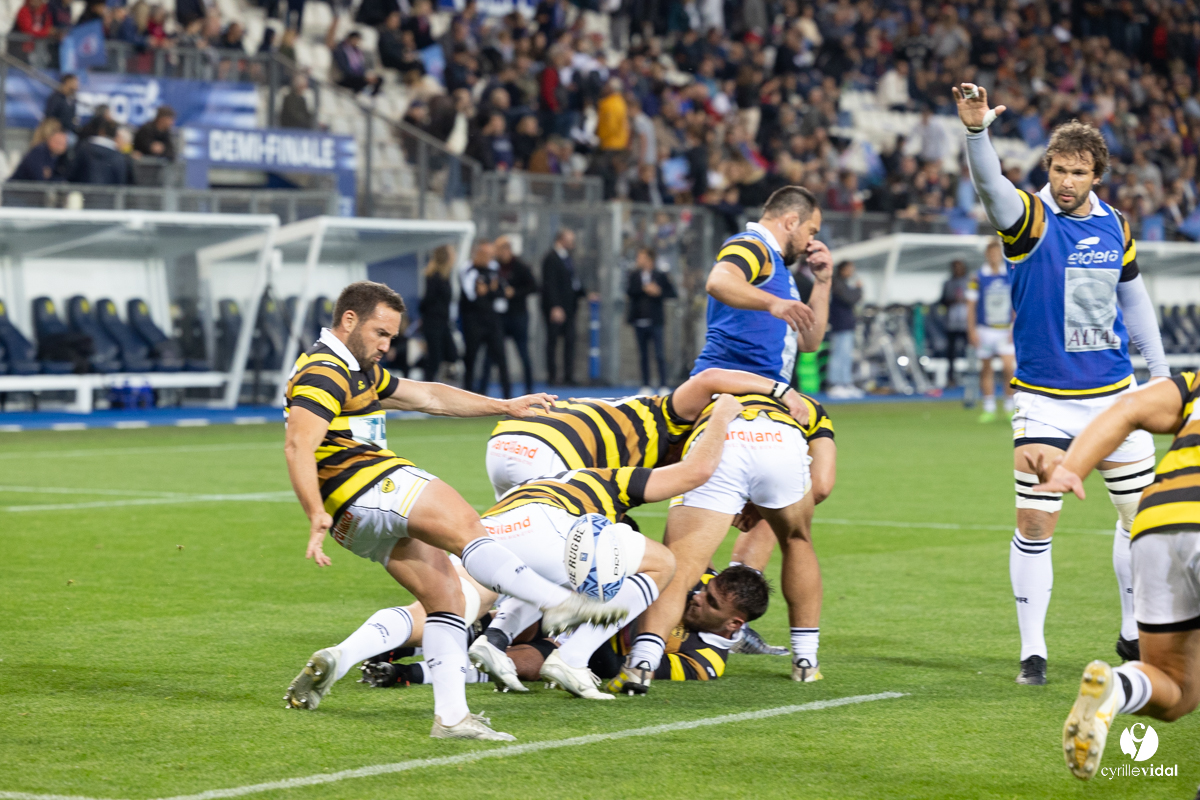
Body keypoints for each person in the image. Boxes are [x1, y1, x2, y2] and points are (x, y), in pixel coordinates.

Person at [281, 281, 625, 740]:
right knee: (469, 526)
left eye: (392, 337)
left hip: (354, 518)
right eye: (381, 334)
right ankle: (556, 602)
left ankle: (451, 718)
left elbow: (429, 396)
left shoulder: (355, 369)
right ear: (349, 321)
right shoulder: (325, 369)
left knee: (446, 599)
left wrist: (503, 406)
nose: (386, 346)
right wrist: (312, 512)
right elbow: (298, 443)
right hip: (366, 484)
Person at [955, 83, 1170, 686]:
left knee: (1139, 519)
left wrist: (1157, 375)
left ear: (1097, 174)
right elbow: (989, 186)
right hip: (1046, 404)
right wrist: (977, 133)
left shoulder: (1117, 227)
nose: (1066, 180)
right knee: (1035, 524)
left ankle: (1132, 632)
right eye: (1058, 168)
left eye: (1078, 172)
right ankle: (1034, 653)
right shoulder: (1028, 219)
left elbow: (1135, 300)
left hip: (1117, 401)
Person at [644, 185, 832, 687]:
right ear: (790, 221)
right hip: (746, 410)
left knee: (686, 561)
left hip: (738, 418)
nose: (812, 240)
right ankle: (805, 659)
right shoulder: (752, 248)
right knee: (796, 535)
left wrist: (823, 281)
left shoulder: (782, 275)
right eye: (811, 230)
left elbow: (810, 340)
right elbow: (718, 280)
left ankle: (645, 656)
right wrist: (774, 303)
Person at [466, 394, 742, 699]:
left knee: (546, 578)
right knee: (662, 563)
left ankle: (492, 638)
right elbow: (696, 472)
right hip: (544, 528)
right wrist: (722, 415)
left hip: (497, 522)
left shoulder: (566, 477)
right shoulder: (617, 481)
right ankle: (572, 658)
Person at [1027, 373, 1200, 780]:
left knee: (1177, 689)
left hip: (1157, 520)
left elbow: (1128, 408)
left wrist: (1071, 467)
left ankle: (1116, 689)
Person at [364, 565, 772, 690]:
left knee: (528, 664)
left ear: (734, 623)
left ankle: (407, 672)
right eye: (706, 590)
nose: (698, 597)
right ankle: (402, 644)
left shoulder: (706, 661)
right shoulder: (689, 581)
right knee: (484, 621)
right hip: (574, 604)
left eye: (711, 602)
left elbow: (621, 674)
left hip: (596, 651)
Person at [486, 366, 815, 501]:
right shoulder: (666, 414)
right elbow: (709, 378)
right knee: (603, 560)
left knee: (517, 550)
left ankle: (483, 626)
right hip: (554, 450)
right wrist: (782, 390)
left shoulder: (633, 420)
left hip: (505, 440)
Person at [966, 239, 1015, 422]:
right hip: (985, 329)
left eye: (996, 253)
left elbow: (1016, 302)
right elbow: (970, 305)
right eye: (991, 253)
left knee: (1008, 368)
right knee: (986, 368)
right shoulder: (977, 277)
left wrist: (1014, 326)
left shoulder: (1009, 274)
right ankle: (989, 406)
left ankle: (1010, 405)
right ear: (987, 255)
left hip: (1004, 329)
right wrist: (971, 329)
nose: (994, 257)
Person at [460, 241, 511, 398]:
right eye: (486, 254)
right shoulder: (468, 269)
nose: (489, 257)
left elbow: (503, 294)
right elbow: (473, 295)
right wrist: (492, 290)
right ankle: (466, 397)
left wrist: (489, 290)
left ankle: (508, 398)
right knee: (471, 359)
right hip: (473, 321)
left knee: (501, 359)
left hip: (492, 321)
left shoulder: (494, 268)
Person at [625, 247, 676, 394]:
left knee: (659, 354)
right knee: (643, 355)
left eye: (641, 257)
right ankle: (645, 385)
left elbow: (672, 293)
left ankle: (663, 385)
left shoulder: (660, 275)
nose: (638, 260)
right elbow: (630, 291)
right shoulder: (634, 275)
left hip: (656, 321)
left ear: (649, 259)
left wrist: (658, 291)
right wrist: (644, 289)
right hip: (639, 320)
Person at [493, 236, 538, 396]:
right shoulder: (494, 267)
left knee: (523, 353)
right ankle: (506, 392)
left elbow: (533, 286)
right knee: (499, 355)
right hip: (500, 317)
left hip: (518, 315)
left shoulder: (520, 266)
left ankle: (529, 389)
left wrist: (515, 293)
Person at [540, 228, 585, 385]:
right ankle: (552, 376)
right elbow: (549, 284)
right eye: (570, 239)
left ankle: (568, 375)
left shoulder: (568, 258)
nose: (573, 243)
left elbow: (572, 282)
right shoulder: (551, 258)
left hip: (570, 307)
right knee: (553, 341)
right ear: (560, 240)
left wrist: (584, 294)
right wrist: (555, 306)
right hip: (557, 308)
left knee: (570, 341)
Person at [418, 245, 457, 382]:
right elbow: (426, 301)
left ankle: (446, 378)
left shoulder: (445, 276)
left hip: (443, 323)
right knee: (434, 359)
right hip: (433, 323)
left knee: (451, 353)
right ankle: (427, 388)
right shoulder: (434, 277)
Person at [826, 260, 862, 399]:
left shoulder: (844, 283)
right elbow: (850, 299)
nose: (851, 272)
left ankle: (846, 383)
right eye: (849, 269)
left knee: (846, 356)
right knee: (838, 355)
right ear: (842, 269)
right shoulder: (837, 283)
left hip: (846, 325)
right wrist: (858, 289)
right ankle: (835, 384)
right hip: (840, 325)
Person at [70, 117, 133, 185]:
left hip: (83, 192)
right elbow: (120, 181)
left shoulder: (84, 148)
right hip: (108, 194)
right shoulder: (118, 157)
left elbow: (72, 172)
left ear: (101, 131)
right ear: (115, 135)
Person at [939, 259, 970, 388]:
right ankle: (951, 378)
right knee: (951, 353)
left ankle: (971, 376)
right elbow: (942, 300)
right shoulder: (948, 283)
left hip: (967, 322)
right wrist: (951, 301)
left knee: (970, 351)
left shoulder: (970, 281)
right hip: (952, 323)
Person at [332, 31, 382, 95]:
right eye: (355, 40)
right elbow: (344, 68)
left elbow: (361, 66)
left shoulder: (357, 52)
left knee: (379, 79)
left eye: (358, 40)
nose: (357, 42)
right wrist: (361, 77)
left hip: (357, 76)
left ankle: (372, 96)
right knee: (362, 80)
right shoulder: (341, 49)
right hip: (344, 76)